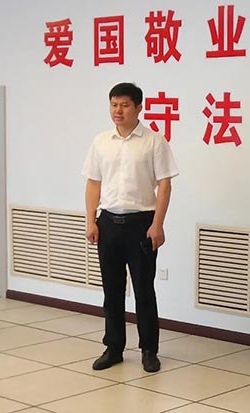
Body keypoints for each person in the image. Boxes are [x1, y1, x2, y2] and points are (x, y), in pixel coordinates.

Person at [82, 82, 178, 373]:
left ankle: (149, 349)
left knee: (143, 290)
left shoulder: (154, 141)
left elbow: (164, 185)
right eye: (114, 105)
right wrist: (90, 220)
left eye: (124, 105)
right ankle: (113, 348)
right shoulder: (101, 141)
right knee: (111, 291)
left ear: (138, 107)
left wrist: (158, 224)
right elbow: (93, 183)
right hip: (108, 223)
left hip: (141, 224)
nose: (118, 111)